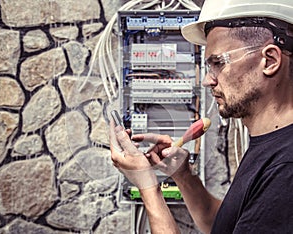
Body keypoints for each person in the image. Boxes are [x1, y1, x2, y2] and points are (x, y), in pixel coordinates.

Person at [110, 0, 293, 233]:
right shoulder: (271, 144)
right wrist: (183, 176)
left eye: (218, 63)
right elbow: (227, 227)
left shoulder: (286, 169)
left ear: (270, 61)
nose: (207, 80)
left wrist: (148, 186)